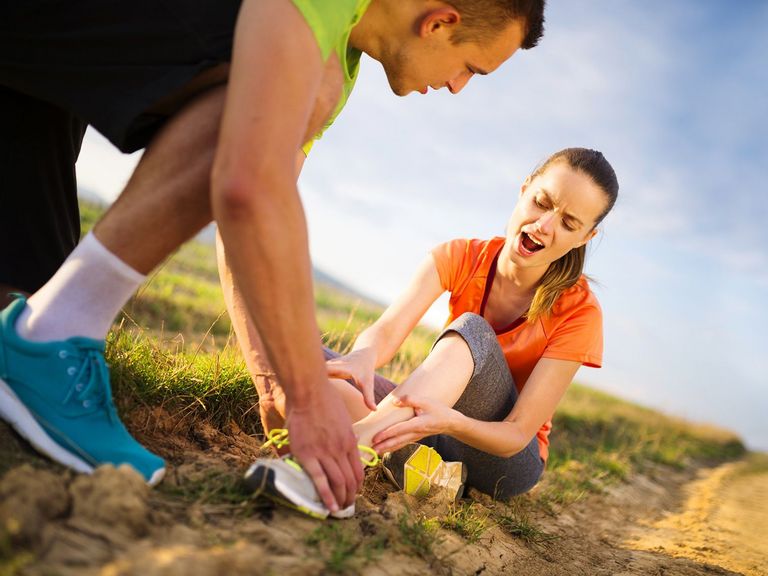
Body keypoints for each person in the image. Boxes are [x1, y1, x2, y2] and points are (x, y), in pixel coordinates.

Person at [0, 0, 546, 515]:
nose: (457, 87)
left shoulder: (341, 55)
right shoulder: (321, 51)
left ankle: (45, 327)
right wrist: (306, 397)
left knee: (27, 295)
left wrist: (276, 383)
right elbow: (249, 186)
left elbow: (257, 209)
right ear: (438, 22)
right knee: (273, 92)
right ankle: (55, 334)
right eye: (471, 68)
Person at [244, 147, 619, 515]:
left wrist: (451, 421)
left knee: (473, 329)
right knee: (300, 364)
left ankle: (340, 462)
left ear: (586, 237)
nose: (545, 225)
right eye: (541, 202)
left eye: (569, 223)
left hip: (502, 460)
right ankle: (420, 467)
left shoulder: (581, 311)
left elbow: (516, 434)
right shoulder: (459, 255)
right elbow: (388, 330)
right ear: (524, 190)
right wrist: (363, 356)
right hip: (429, 421)